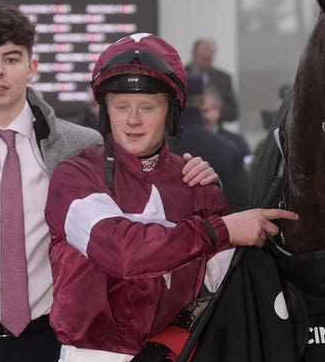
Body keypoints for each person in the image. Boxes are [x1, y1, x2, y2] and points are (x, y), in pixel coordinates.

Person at [0, 2, 218, 362]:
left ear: (32, 66)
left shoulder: (85, 146)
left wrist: (198, 175)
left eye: (10, 59)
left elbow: (153, 173)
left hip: (60, 342)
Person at [45, 33, 298, 361]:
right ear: (105, 111)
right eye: (121, 106)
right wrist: (217, 230)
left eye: (147, 107)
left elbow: (226, 286)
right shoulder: (74, 176)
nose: (133, 120)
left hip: (180, 351)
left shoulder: (198, 183)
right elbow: (120, 252)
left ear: (171, 112)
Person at [170, 73, 249, 211]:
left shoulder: (156, 146)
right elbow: (243, 202)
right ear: (202, 100)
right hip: (224, 228)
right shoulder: (229, 149)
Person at [185, 38, 238, 123]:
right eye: (203, 58)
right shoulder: (181, 75)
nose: (206, 62)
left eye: (209, 58)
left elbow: (233, 112)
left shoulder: (224, 78)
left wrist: (214, 109)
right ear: (194, 54)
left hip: (215, 130)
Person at [201, 83, 252, 171]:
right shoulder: (184, 141)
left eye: (205, 111)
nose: (199, 116)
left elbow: (248, 173)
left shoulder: (237, 142)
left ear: (218, 110)